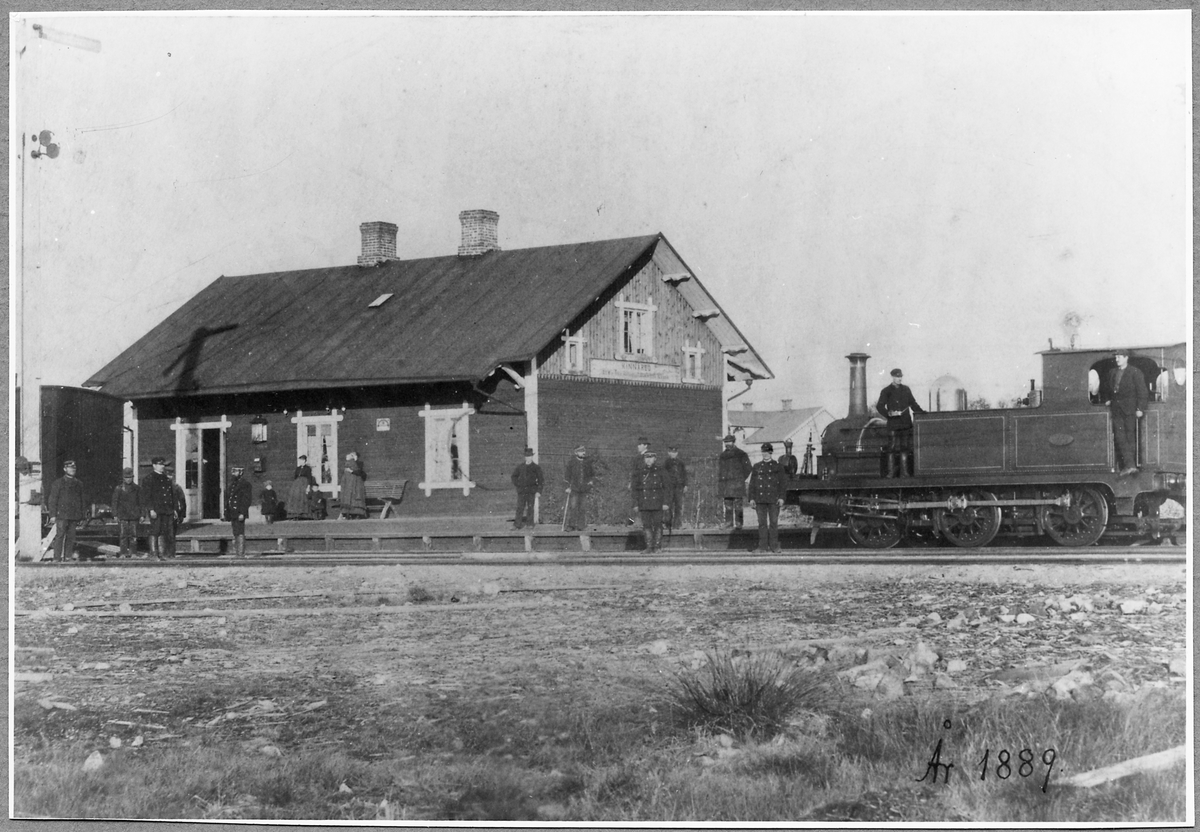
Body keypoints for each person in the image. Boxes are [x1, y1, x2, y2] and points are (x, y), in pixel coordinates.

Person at [1105, 348, 1148, 476]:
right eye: (1116, 357)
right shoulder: (1112, 372)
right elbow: (1107, 389)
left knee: (1130, 438)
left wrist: (1140, 409)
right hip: (1116, 410)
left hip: (1130, 410)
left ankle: (1130, 466)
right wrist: (1108, 399)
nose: (1117, 359)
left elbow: (1142, 392)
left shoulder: (1135, 372)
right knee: (1120, 437)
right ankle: (1130, 466)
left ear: (1126, 358)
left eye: (1119, 357)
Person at [876, 368, 926, 477]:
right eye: (897, 377)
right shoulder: (886, 391)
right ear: (893, 377)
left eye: (900, 377)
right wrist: (889, 413)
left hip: (905, 424)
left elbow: (913, 404)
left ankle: (905, 473)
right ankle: (890, 473)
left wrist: (921, 413)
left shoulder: (906, 389)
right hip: (893, 424)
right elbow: (879, 406)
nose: (900, 379)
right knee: (891, 448)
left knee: (905, 448)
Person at [748, 443, 786, 553]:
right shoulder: (757, 466)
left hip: (774, 499)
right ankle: (762, 547)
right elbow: (752, 484)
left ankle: (774, 546)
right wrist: (751, 498)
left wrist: (782, 497)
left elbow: (783, 484)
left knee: (773, 523)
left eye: (768, 452)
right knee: (762, 524)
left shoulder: (778, 466)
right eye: (763, 452)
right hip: (760, 499)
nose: (765, 454)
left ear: (771, 452)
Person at [47, 460, 86, 562]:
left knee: (71, 537)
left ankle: (68, 557)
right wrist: (52, 515)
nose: (72, 469)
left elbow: (82, 500)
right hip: (62, 515)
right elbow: (53, 499)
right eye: (70, 468)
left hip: (74, 515)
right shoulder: (58, 483)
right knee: (60, 536)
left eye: (74, 468)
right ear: (65, 469)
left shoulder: (79, 484)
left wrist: (82, 516)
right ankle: (57, 558)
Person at [632, 450, 669, 553]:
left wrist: (666, 502)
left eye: (651, 457)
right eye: (646, 458)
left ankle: (657, 547)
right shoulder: (639, 472)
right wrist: (635, 504)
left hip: (657, 503)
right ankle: (649, 547)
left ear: (655, 459)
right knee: (646, 525)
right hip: (644, 503)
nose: (649, 460)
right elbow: (635, 489)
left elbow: (667, 488)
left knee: (658, 525)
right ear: (644, 459)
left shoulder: (661, 471)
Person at [142, 456, 177, 561]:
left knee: (163, 531)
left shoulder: (166, 479)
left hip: (167, 509)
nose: (162, 466)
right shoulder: (149, 478)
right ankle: (153, 554)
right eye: (160, 464)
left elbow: (171, 495)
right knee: (155, 531)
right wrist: (151, 509)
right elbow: (147, 496)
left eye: (163, 464)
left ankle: (162, 554)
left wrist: (174, 509)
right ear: (154, 465)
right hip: (156, 510)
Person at [717, 434, 752, 529]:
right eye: (726, 442)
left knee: (738, 505)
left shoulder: (741, 454)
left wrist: (741, 478)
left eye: (729, 442)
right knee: (727, 504)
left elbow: (748, 468)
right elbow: (720, 470)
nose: (727, 444)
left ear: (733, 442)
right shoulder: (723, 456)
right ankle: (728, 522)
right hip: (726, 484)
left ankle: (739, 523)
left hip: (737, 484)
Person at [111, 467, 142, 559]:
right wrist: (115, 514)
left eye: (130, 477)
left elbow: (141, 502)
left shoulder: (137, 489)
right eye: (126, 477)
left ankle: (133, 553)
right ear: (123, 478)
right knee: (123, 535)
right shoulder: (119, 489)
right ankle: (123, 553)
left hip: (134, 515)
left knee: (134, 535)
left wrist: (142, 515)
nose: (128, 479)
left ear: (133, 477)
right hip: (122, 515)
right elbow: (114, 502)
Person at [563, 444, 595, 531]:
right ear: (576, 453)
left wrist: (591, 481)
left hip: (584, 489)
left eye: (583, 451)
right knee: (573, 507)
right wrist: (567, 487)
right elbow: (567, 476)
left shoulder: (587, 463)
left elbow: (592, 474)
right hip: (574, 488)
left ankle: (581, 525)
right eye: (581, 451)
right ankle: (571, 525)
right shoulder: (571, 463)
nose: (583, 453)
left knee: (583, 508)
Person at [511, 447, 543, 530]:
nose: (528, 458)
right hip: (522, 491)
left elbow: (541, 480)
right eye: (527, 456)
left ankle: (530, 524)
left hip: (531, 491)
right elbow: (514, 476)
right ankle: (517, 524)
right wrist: (518, 484)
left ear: (532, 457)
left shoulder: (536, 467)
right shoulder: (520, 467)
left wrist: (538, 491)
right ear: (525, 457)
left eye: (530, 456)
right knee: (520, 507)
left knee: (530, 507)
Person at [225, 464, 253, 557]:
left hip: (239, 512)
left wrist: (242, 512)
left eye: (236, 471)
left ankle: (240, 553)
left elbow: (246, 500)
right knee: (235, 531)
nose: (233, 473)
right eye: (233, 471)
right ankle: (237, 552)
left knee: (240, 531)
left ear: (241, 472)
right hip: (232, 512)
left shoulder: (245, 484)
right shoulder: (232, 484)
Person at [663, 445, 689, 530]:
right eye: (671, 452)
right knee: (669, 506)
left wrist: (685, 485)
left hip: (678, 487)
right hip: (669, 487)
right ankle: (668, 524)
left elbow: (684, 474)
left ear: (677, 453)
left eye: (675, 452)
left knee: (678, 506)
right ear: (669, 453)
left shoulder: (681, 463)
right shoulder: (666, 463)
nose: (673, 454)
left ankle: (677, 525)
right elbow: (663, 475)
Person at [339, 452, 368, 519]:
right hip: (352, 486)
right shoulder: (350, 465)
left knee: (352, 499)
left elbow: (360, 472)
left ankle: (352, 514)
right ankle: (353, 514)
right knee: (353, 499)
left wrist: (352, 471)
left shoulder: (357, 464)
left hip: (353, 486)